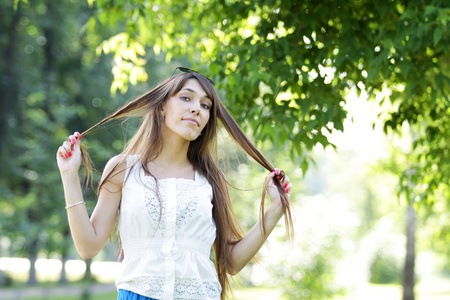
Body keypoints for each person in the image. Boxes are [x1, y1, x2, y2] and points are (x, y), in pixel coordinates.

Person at [56, 67, 293, 300]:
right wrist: (69, 175)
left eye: (205, 105)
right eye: (186, 98)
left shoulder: (211, 180)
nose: (196, 109)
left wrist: (274, 210)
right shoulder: (123, 169)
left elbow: (230, 261)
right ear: (161, 107)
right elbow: (88, 247)